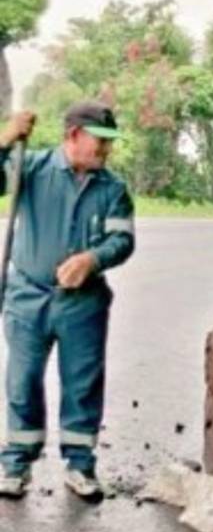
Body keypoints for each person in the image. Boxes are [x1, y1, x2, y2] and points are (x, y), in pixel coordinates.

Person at [0, 102, 135, 499]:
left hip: (84, 304)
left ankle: (80, 465)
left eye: (110, 143)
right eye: (101, 141)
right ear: (75, 135)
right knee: (22, 381)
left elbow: (123, 240)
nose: (106, 150)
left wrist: (93, 259)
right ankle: (15, 464)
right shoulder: (32, 168)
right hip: (27, 297)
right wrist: (6, 138)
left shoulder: (112, 189)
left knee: (82, 383)